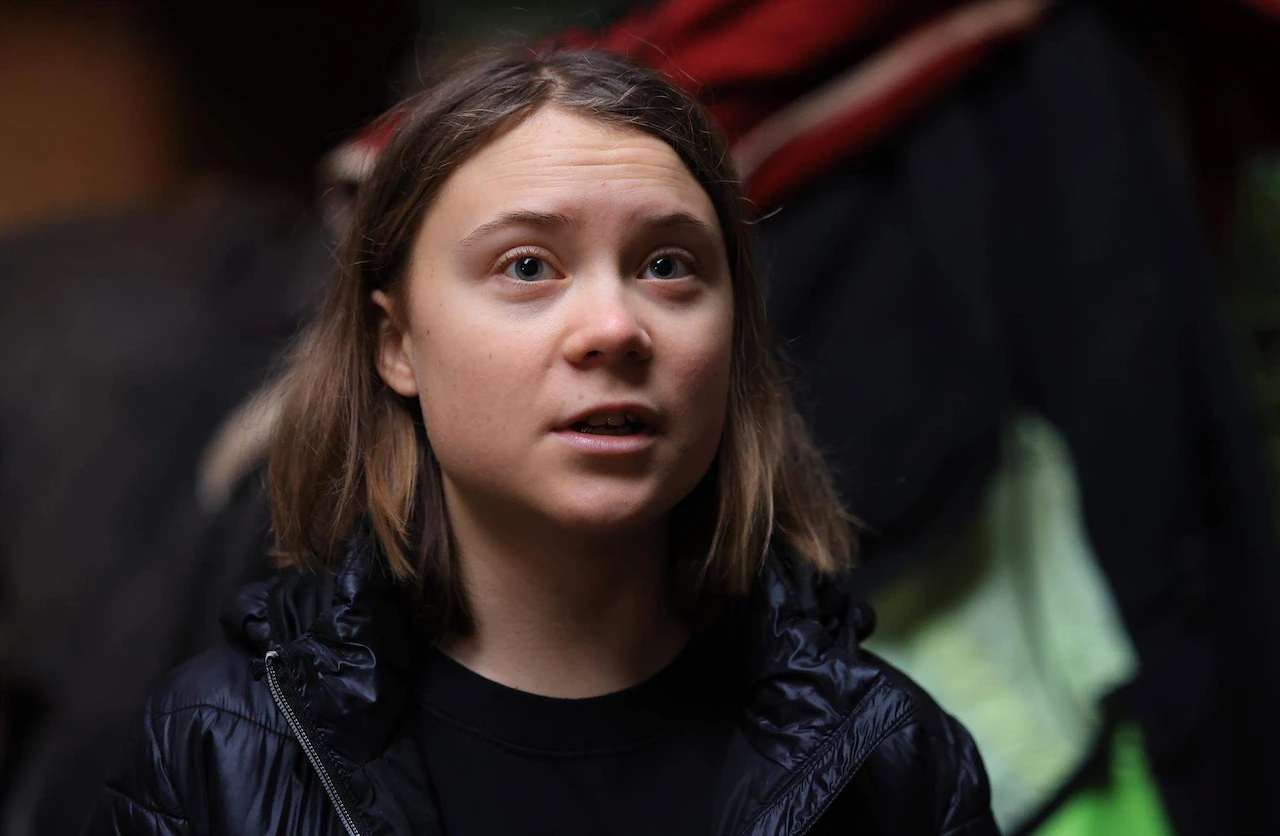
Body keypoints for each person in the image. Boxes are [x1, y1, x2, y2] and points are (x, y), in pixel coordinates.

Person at [84, 49, 996, 836]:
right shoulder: (217, 749)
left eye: (667, 265)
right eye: (528, 266)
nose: (615, 326)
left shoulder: (896, 763)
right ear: (395, 345)